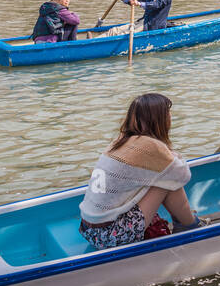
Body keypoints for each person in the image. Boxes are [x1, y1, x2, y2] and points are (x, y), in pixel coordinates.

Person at [78, 93, 205, 249]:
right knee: (166, 180)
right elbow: (183, 175)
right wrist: (172, 156)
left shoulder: (120, 141)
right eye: (168, 113)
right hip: (110, 235)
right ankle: (190, 226)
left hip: (88, 229)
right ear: (160, 119)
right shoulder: (150, 146)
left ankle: (187, 224)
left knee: (163, 175)